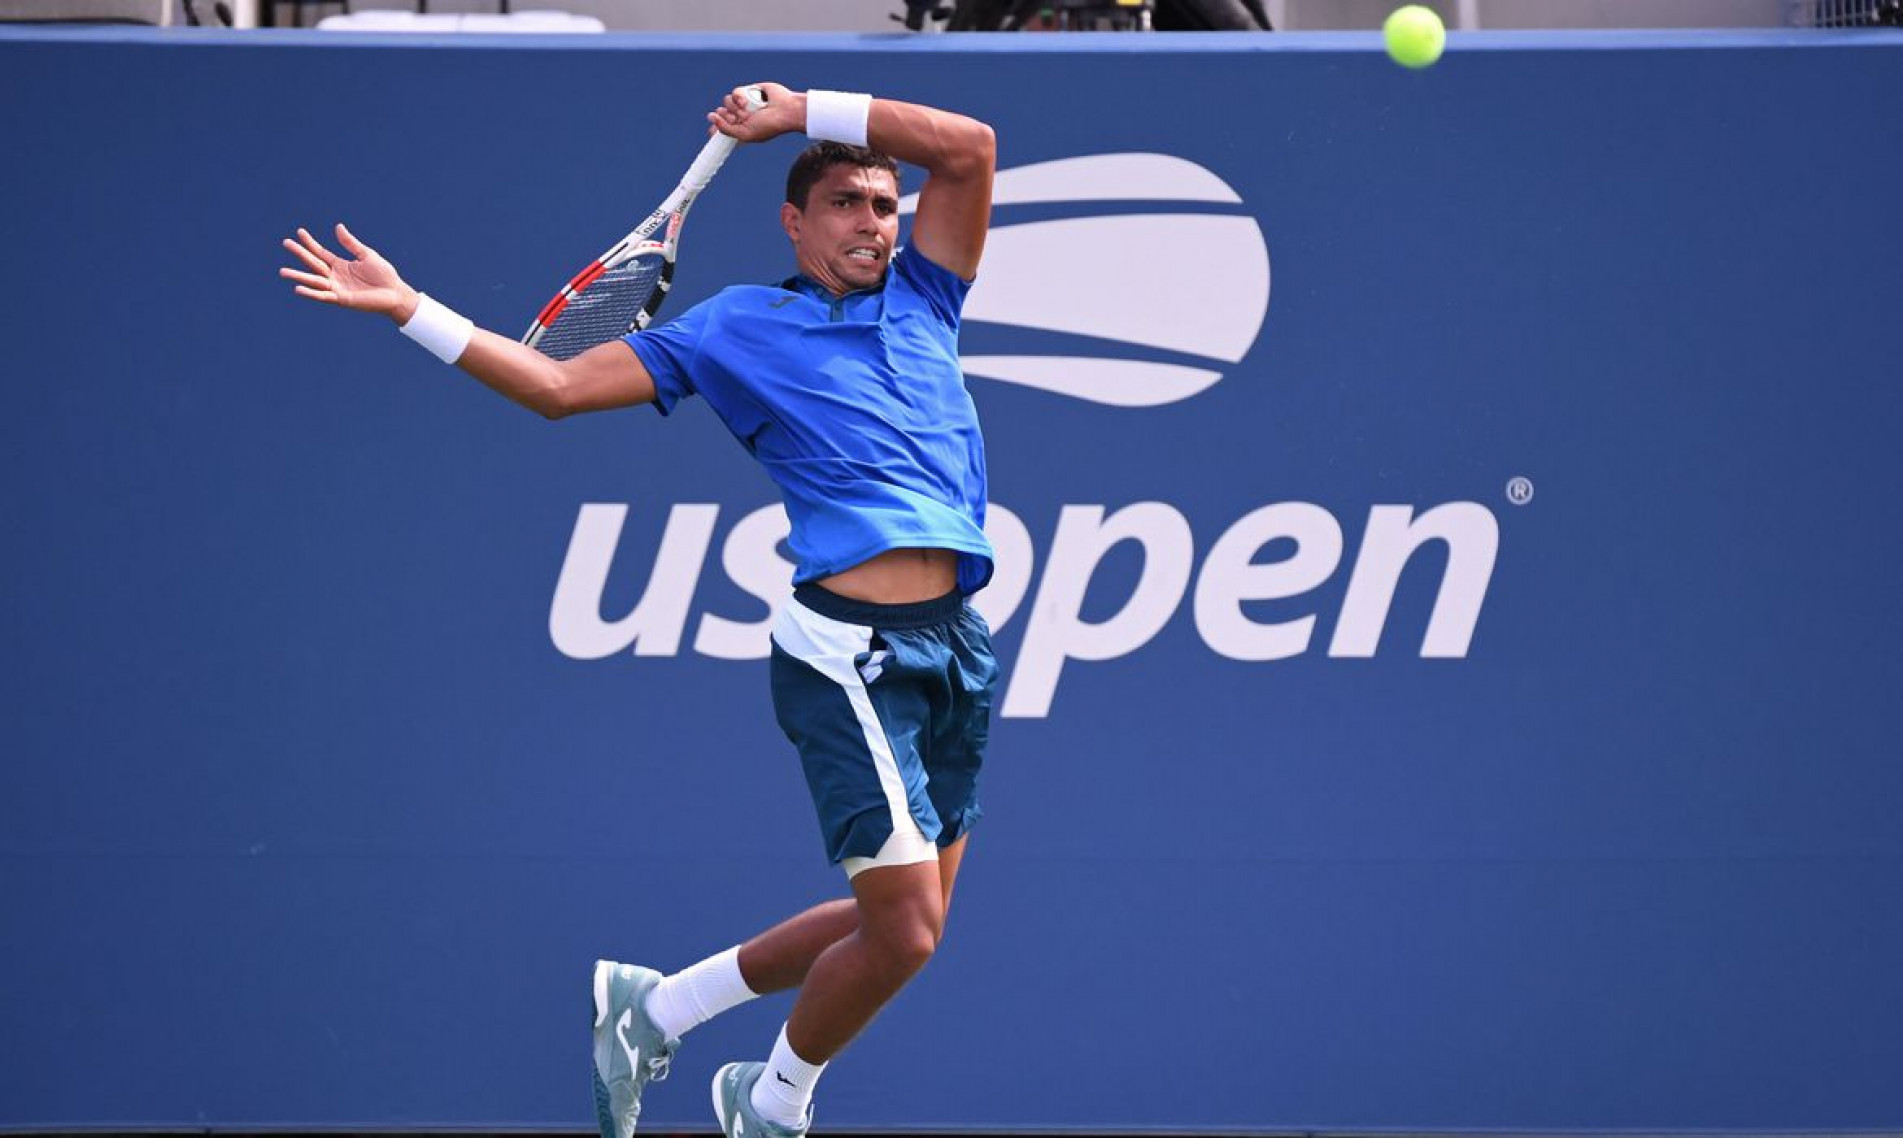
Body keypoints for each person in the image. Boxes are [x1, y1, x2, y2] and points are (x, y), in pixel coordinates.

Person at [279, 83, 999, 1138]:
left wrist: (802, 109)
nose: (870, 223)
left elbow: (969, 148)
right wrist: (409, 308)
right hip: (846, 653)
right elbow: (555, 388)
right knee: (907, 933)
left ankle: (657, 1009)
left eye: (884, 205)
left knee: (897, 918)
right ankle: (771, 1101)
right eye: (844, 203)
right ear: (794, 222)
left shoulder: (928, 293)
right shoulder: (733, 327)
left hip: (958, 647)